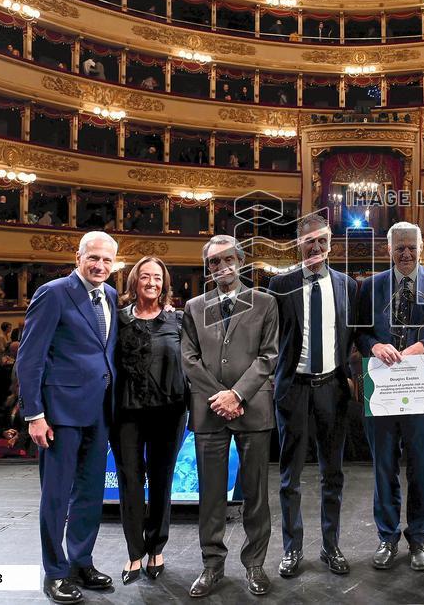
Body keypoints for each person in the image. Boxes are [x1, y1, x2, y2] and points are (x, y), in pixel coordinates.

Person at [13, 231, 118, 603]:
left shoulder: (111, 296)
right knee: (56, 497)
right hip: (59, 415)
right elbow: (29, 358)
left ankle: (80, 563)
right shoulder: (54, 292)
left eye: (107, 260)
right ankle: (54, 572)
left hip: (100, 412)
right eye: (94, 258)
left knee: (90, 494)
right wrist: (34, 414)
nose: (100, 266)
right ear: (78, 257)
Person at [181, 236, 279, 597]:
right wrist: (219, 397)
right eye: (213, 262)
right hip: (209, 412)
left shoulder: (265, 302)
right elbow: (188, 358)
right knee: (210, 496)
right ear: (208, 268)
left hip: (252, 409)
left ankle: (254, 565)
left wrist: (237, 394)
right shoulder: (193, 307)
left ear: (241, 261)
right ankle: (211, 566)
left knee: (255, 495)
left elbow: (269, 356)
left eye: (227, 259)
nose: (221, 266)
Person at [356, 222, 424, 572]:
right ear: (388, 250)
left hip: (423, 390)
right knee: (383, 468)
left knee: (421, 469)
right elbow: (361, 333)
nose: (406, 253)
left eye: (412, 246)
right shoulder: (369, 286)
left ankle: (419, 538)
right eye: (399, 247)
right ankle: (386, 536)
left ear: (421, 247)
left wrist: (421, 346)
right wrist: (375, 345)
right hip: (382, 390)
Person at [268, 214, 359, 578]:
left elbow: (353, 337)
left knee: (332, 474)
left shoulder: (348, 285)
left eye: (322, 241)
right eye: (309, 241)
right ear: (298, 243)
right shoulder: (280, 284)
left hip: (332, 390)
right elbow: (269, 339)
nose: (316, 247)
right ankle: (292, 550)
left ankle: (330, 546)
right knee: (290, 476)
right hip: (294, 390)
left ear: (331, 243)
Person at [111, 257, 187, 584]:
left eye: (157, 277)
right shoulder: (118, 320)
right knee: (130, 480)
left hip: (169, 412)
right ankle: (134, 552)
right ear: (134, 281)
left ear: (164, 283)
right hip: (126, 412)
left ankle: (156, 547)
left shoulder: (179, 320)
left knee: (161, 480)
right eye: (145, 277)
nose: (152, 283)